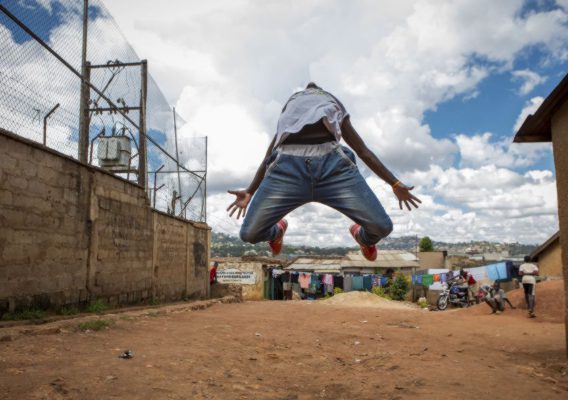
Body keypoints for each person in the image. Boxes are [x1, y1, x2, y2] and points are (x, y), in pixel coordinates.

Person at [227, 83, 421, 260]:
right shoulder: (289, 117)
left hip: (333, 170)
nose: (310, 90)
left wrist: (395, 183)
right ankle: (277, 232)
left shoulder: (332, 105)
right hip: (287, 172)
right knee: (249, 234)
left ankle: (363, 238)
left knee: (382, 227)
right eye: (306, 92)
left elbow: (363, 151)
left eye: (314, 91)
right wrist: (250, 191)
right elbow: (268, 158)